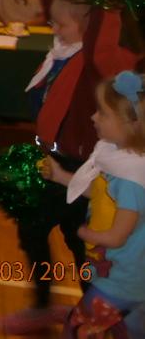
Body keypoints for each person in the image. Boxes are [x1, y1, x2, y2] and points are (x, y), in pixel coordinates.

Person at [0, 0, 141, 334]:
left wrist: (107, 1)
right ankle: (47, 304)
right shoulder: (61, 54)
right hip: (55, 160)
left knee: (81, 246)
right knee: (32, 230)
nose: (54, 30)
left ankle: (92, 309)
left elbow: (101, 45)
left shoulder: (101, 61)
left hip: (84, 165)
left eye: (61, 25)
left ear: (89, 27)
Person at [41, 71, 145, 338]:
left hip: (120, 281)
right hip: (125, 277)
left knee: (76, 328)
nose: (93, 117)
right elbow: (100, 193)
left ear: (129, 125)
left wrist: (85, 233)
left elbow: (118, 236)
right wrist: (61, 176)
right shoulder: (119, 159)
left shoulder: (130, 178)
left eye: (103, 113)